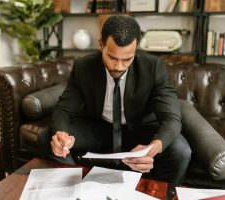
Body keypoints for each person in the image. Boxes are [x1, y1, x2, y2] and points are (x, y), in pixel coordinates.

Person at [41, 15, 191, 185]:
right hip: (99, 129)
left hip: (139, 130)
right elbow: (64, 109)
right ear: (101, 45)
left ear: (136, 49)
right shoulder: (83, 67)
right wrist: (61, 134)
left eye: (127, 59)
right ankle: (74, 189)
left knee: (181, 150)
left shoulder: (154, 67)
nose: (119, 66)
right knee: (48, 137)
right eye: (112, 57)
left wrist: (152, 149)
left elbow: (172, 119)